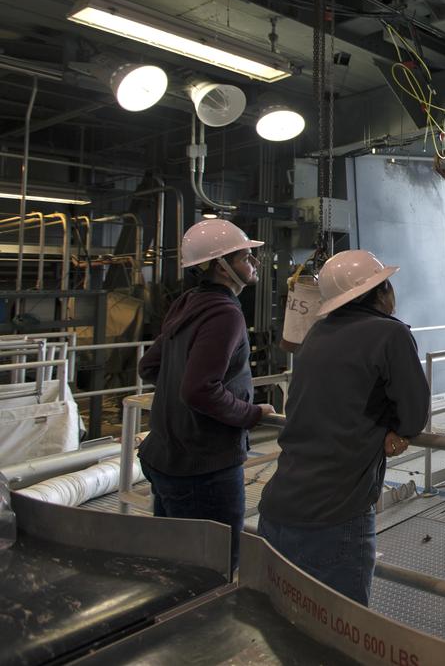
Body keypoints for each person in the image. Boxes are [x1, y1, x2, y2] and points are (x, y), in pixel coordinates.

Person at [258, 249, 429, 605]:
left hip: (279, 508)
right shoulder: (390, 335)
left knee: (285, 626)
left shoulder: (317, 333)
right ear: (380, 292)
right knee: (339, 633)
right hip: (335, 515)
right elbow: (414, 414)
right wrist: (398, 435)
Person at [138, 219, 273, 571]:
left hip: (165, 457)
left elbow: (150, 366)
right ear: (221, 266)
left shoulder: (188, 302)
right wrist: (252, 413)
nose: (254, 263)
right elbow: (199, 389)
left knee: (174, 563)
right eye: (245, 257)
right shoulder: (226, 314)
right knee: (212, 571)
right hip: (203, 467)